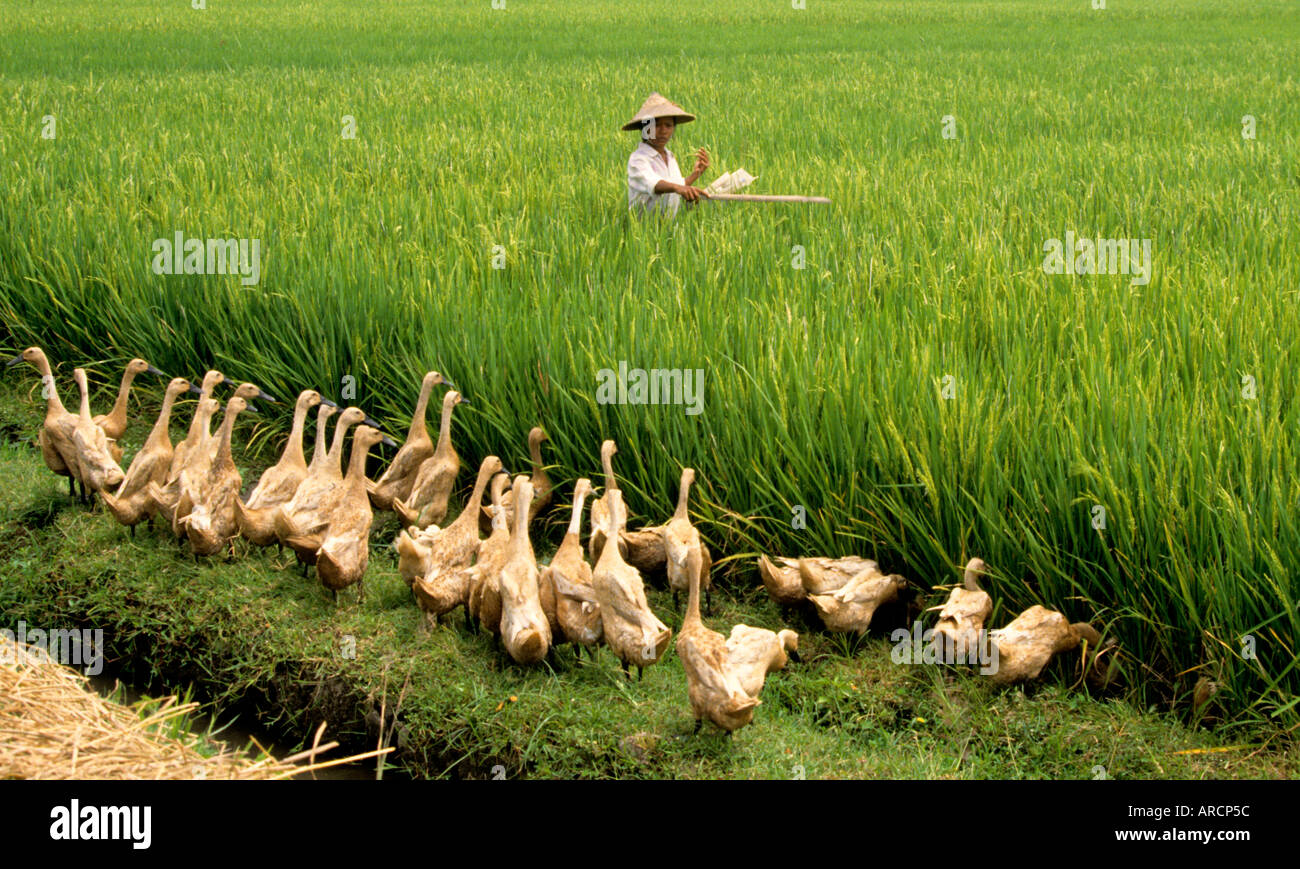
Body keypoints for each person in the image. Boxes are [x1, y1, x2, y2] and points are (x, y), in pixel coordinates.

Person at [624, 92, 711, 218]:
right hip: (644, 232)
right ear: (644, 128)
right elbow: (655, 184)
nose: (663, 131)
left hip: (669, 231)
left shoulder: (669, 156)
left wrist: (695, 174)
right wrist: (678, 188)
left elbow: (674, 189)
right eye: (656, 125)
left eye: (668, 125)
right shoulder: (638, 159)